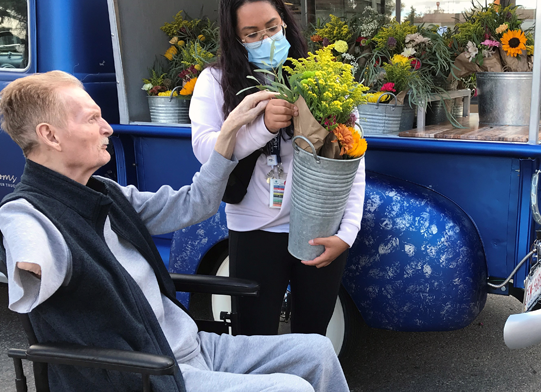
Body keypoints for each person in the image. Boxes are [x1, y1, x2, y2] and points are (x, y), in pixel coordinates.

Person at [0, 70, 350, 392]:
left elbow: (196, 203)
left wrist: (228, 132)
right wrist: (30, 265)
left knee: (316, 350)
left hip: (192, 346)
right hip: (149, 374)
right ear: (50, 135)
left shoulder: (105, 193)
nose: (107, 128)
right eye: (93, 118)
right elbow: (28, 246)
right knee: (292, 390)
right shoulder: (27, 213)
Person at [190, 0, 366, 338]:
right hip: (253, 229)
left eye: (272, 27)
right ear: (235, 38)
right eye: (252, 34)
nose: (266, 39)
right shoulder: (216, 81)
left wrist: (347, 233)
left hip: (319, 226)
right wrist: (262, 128)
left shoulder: (318, 74)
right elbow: (205, 150)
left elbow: (353, 158)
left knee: (313, 337)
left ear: (285, 22)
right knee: (254, 336)